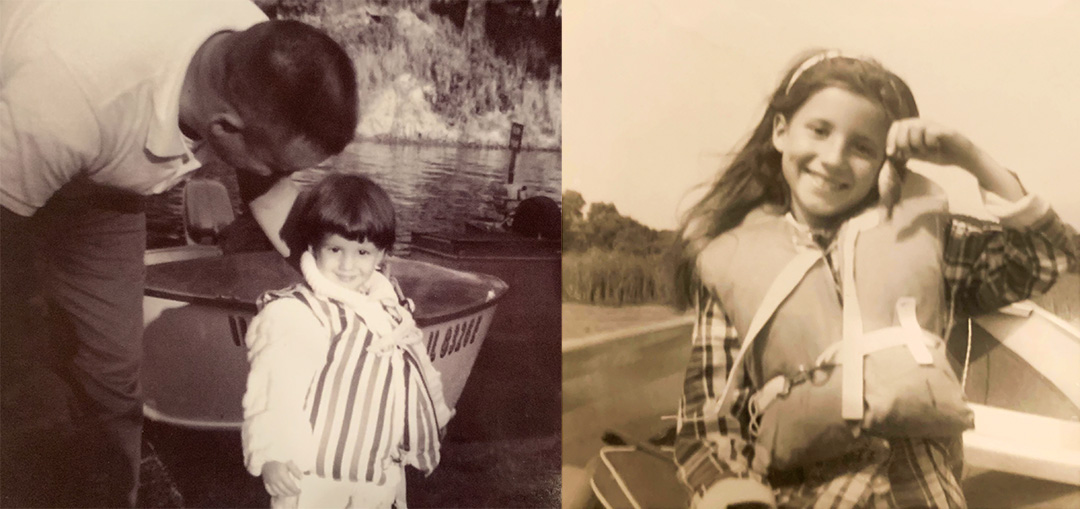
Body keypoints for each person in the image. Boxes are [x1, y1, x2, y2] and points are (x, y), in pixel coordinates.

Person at [671, 50, 1078, 508]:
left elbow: (1050, 257)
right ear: (781, 132)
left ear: (887, 162)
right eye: (819, 131)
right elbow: (708, 425)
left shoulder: (926, 238)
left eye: (863, 147)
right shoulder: (734, 259)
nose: (834, 158)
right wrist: (737, 496)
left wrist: (972, 159)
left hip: (920, 493)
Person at [0, 0, 358, 505]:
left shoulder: (260, 45)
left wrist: (330, 277)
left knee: (113, 374)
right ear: (225, 128)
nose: (278, 174)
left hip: (104, 183)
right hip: (28, 144)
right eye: (275, 161)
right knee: (19, 369)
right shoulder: (68, 99)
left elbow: (271, 187)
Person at [241, 173, 454, 509]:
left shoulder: (389, 309)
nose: (347, 265)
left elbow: (418, 367)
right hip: (315, 483)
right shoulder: (298, 314)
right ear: (313, 246)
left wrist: (436, 415)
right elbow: (274, 391)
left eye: (362, 252)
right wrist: (272, 453)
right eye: (335, 249)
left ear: (382, 254)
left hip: (377, 474)